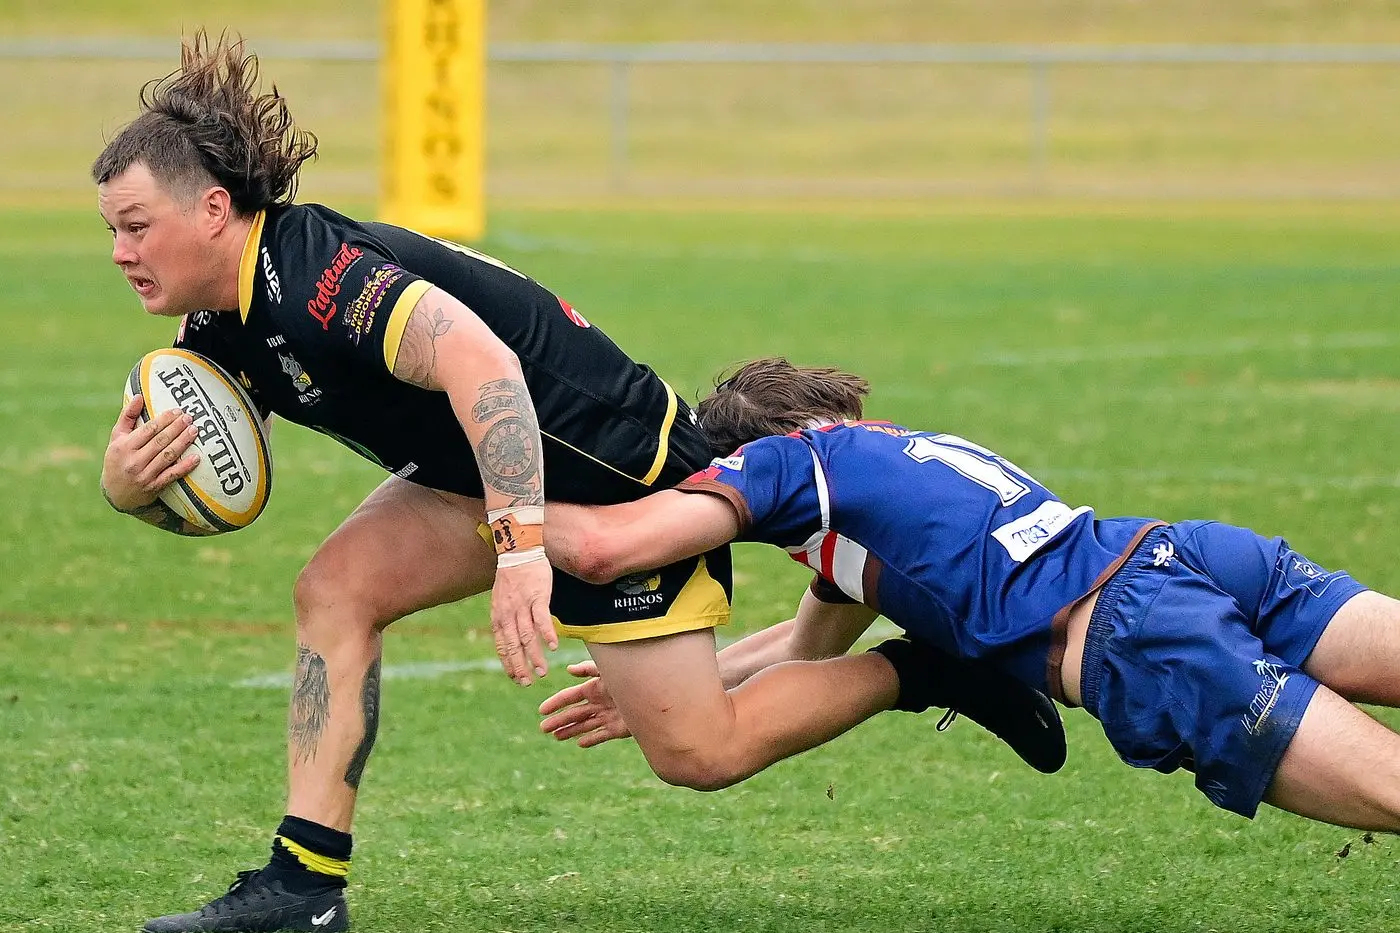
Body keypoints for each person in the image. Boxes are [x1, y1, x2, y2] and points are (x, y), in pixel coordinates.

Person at [95, 34, 1058, 933]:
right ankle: (302, 888)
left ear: (213, 208)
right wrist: (124, 483)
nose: (121, 253)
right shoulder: (215, 329)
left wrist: (518, 548)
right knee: (336, 591)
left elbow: (488, 371)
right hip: (475, 472)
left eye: (138, 226)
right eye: (111, 231)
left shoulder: (321, 276)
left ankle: (924, 669)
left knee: (698, 752)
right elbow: (209, 483)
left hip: (615, 470)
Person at [534, 356, 1400, 835]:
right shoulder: (884, 476)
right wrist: (670, 688)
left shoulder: (794, 463)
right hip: (1191, 554)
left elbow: (611, 548)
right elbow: (806, 651)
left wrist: (494, 489)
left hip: (1138, 632)